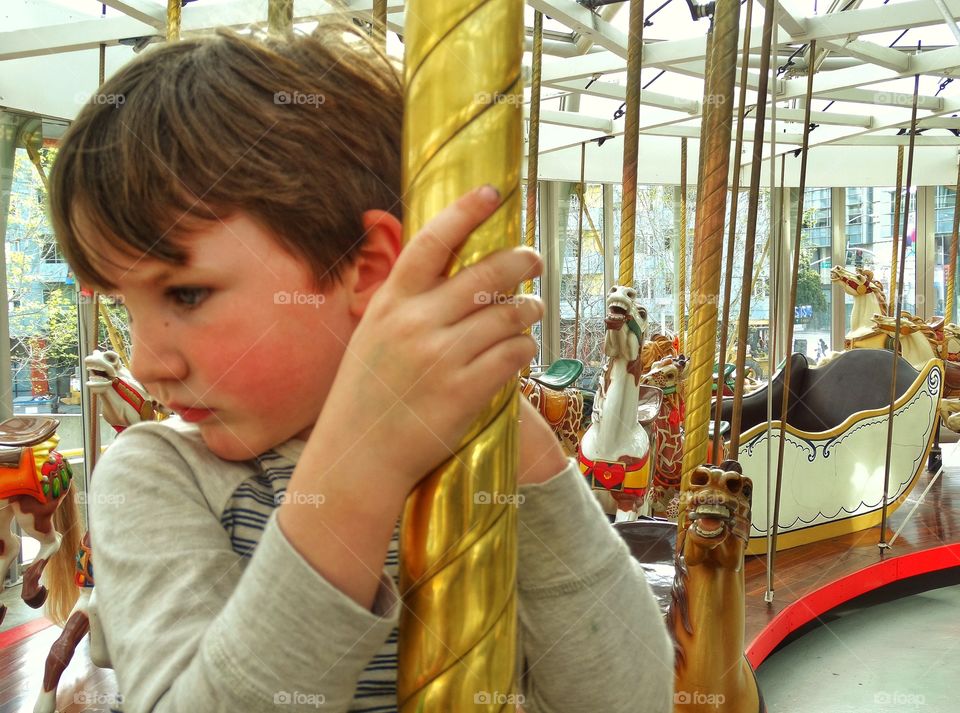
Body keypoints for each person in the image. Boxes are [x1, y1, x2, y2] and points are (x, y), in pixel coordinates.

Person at [49, 22, 672, 713]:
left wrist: (525, 457)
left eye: (186, 294)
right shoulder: (157, 476)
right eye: (125, 305)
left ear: (367, 268)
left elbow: (630, 699)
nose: (145, 362)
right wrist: (362, 467)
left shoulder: (475, 460)